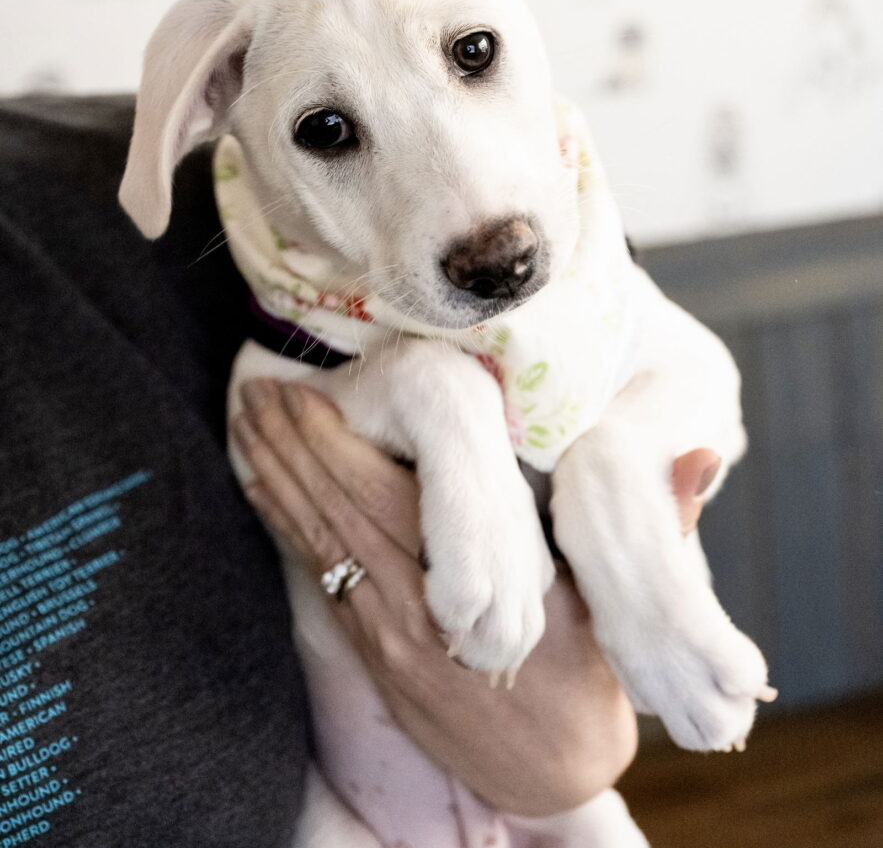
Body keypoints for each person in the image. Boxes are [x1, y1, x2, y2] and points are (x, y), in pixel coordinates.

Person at [0, 95, 713, 847]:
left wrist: (622, 541)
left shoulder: (157, 175)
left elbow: (620, 366)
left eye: (473, 52)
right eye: (330, 131)